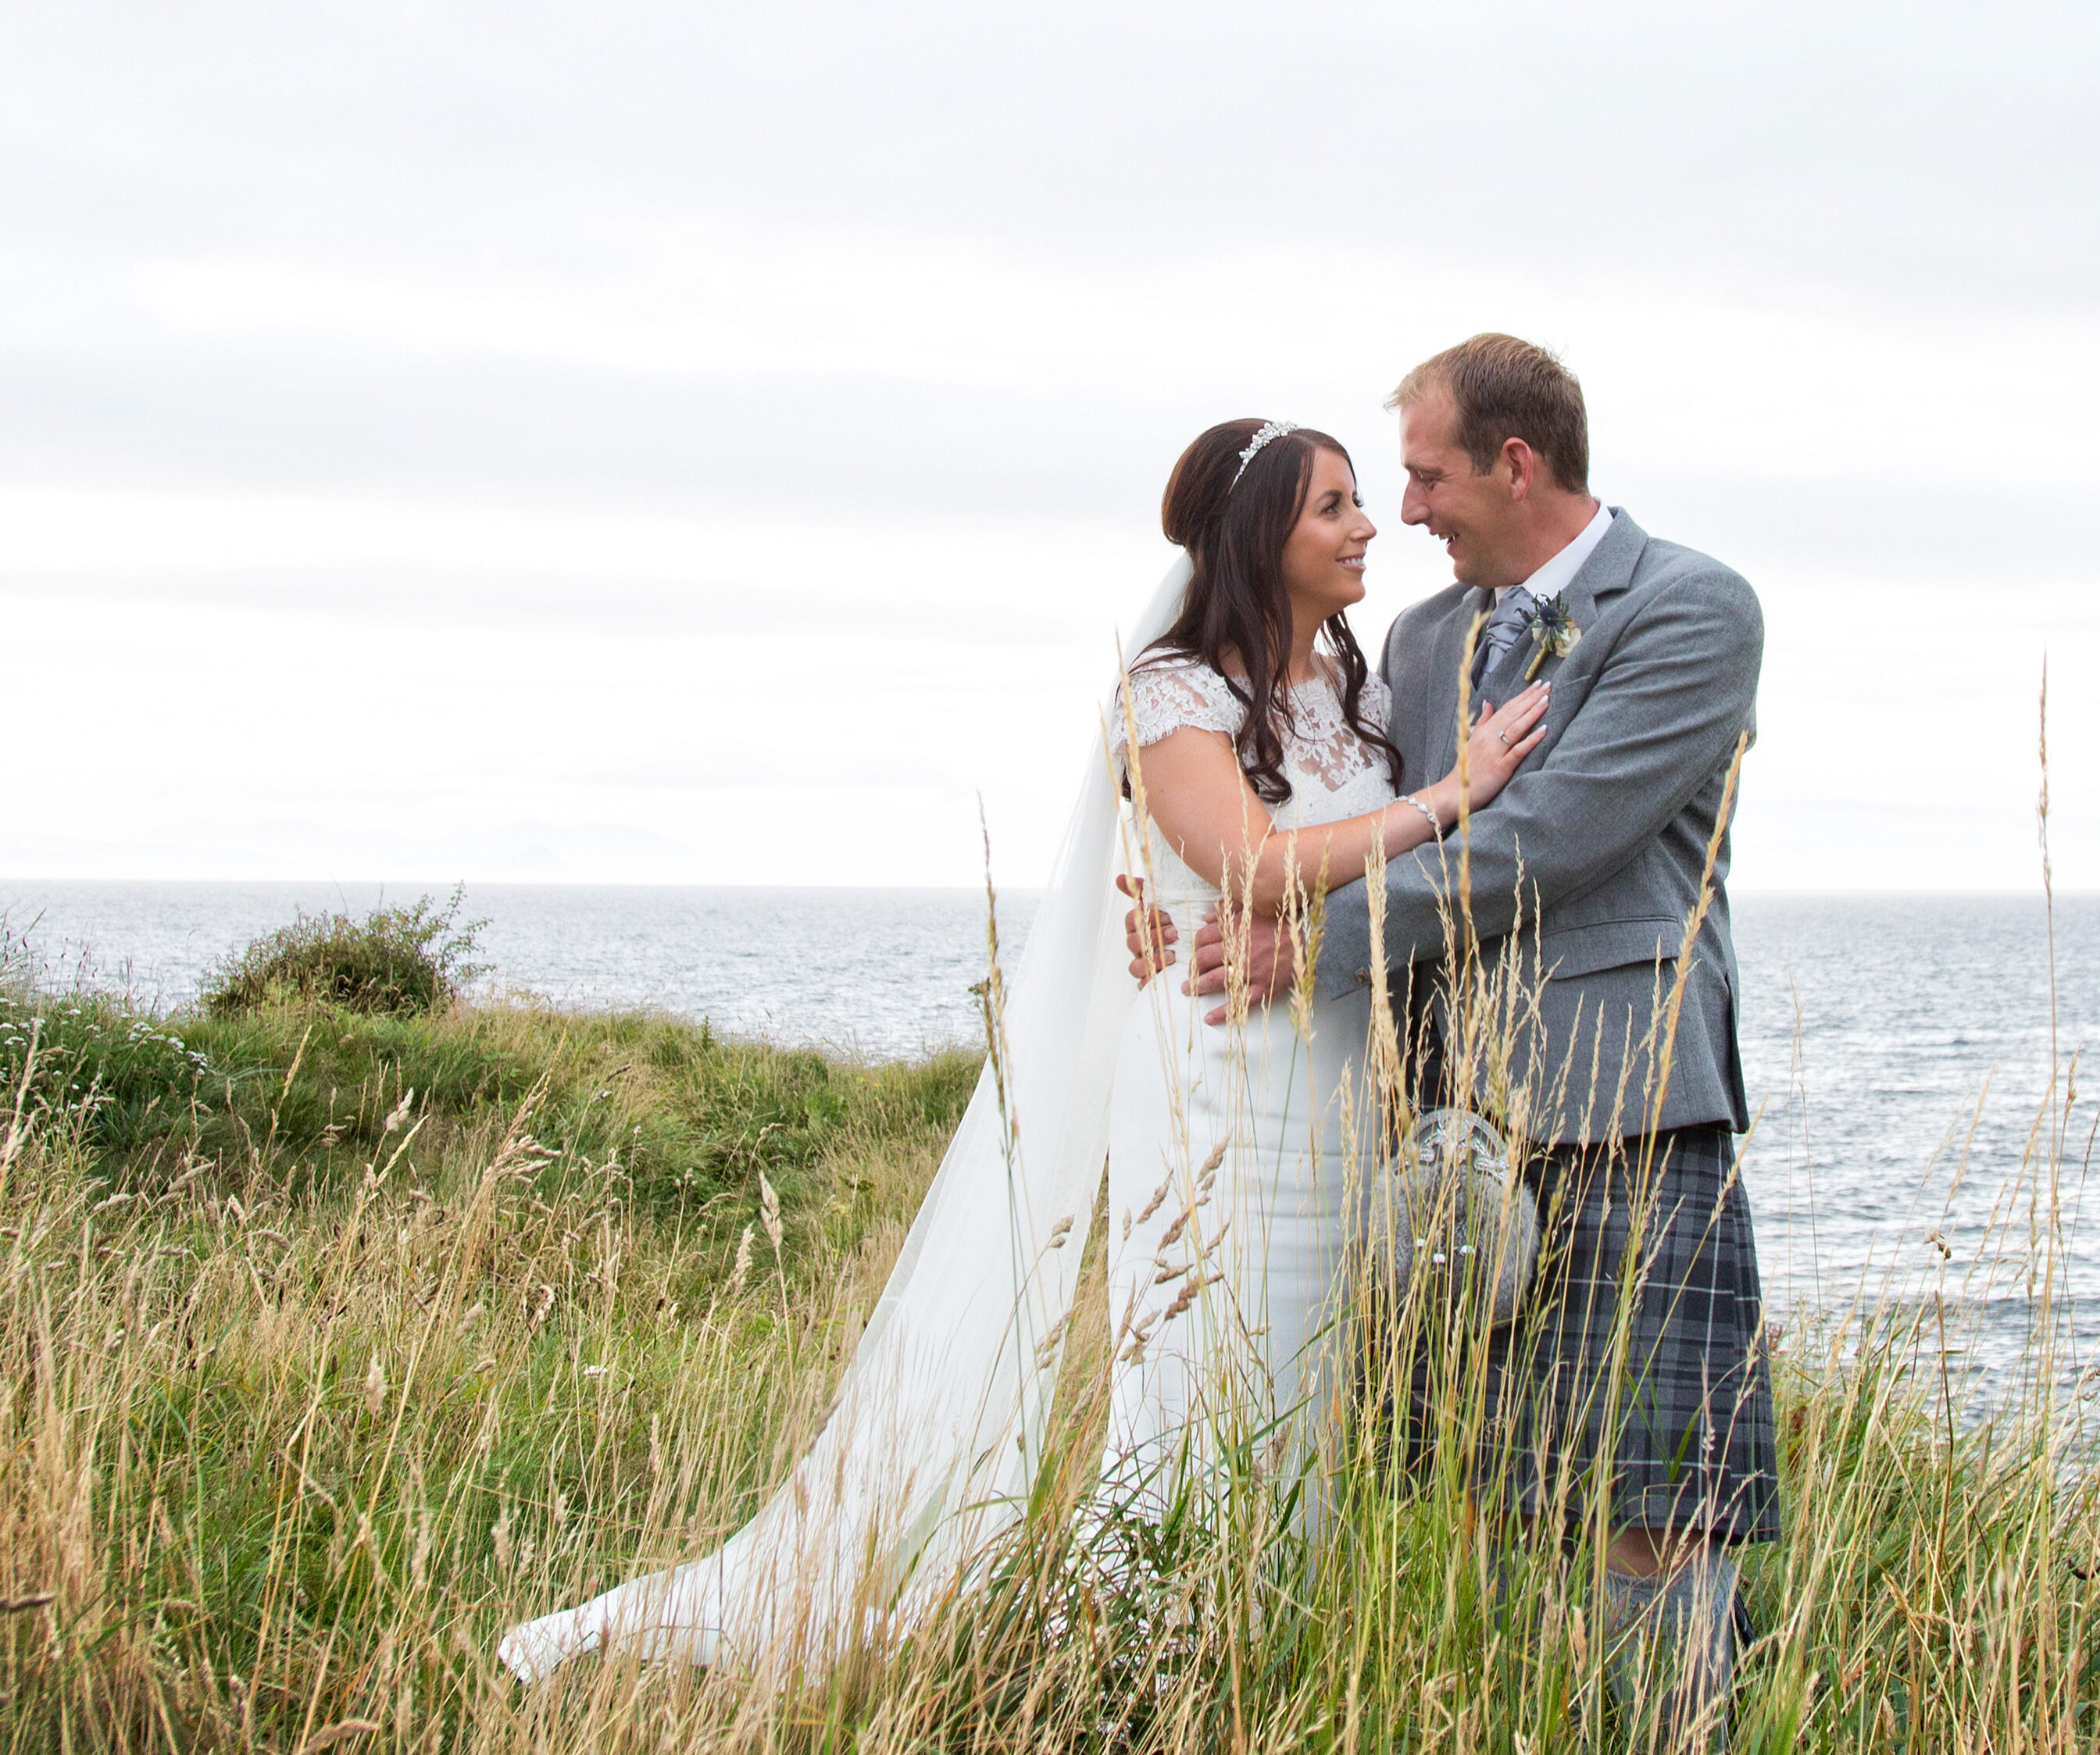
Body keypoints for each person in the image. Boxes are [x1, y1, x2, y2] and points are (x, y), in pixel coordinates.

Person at [495, 416, 1546, 1682]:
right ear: (1263, 534)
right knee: (1201, 1377)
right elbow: (1251, 864)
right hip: (1217, 1068)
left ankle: (1264, 1651)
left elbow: (1350, 883)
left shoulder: (1357, 690)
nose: (1367, 524)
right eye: (1333, 505)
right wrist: (1455, 791)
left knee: (1306, 1393)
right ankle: (1131, 1653)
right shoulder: (1172, 691)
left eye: (1364, 499)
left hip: (1334, 1072)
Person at [1133, 332, 1774, 1750]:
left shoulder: (1688, 607)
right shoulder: (1420, 644)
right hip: (1442, 1127)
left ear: (1516, 462)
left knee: (1659, 1498)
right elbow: (1298, 808)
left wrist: (1315, 945)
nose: (1405, 511)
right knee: (1491, 1493)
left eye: (1422, 477)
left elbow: (1551, 837)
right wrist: (1170, 897)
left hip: (1629, 1106)